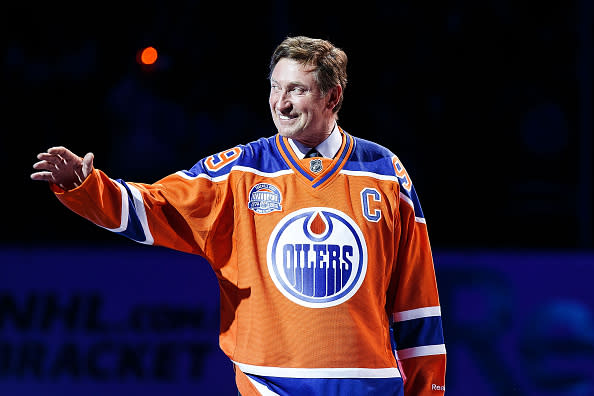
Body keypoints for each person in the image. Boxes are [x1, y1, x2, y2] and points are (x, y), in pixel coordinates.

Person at [31, 36, 446, 396]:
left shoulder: (385, 172)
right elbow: (155, 206)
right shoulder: (241, 171)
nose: (280, 103)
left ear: (333, 97)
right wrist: (88, 187)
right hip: (271, 385)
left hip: (371, 387)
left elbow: (417, 300)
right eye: (274, 87)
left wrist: (428, 389)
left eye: (297, 90)